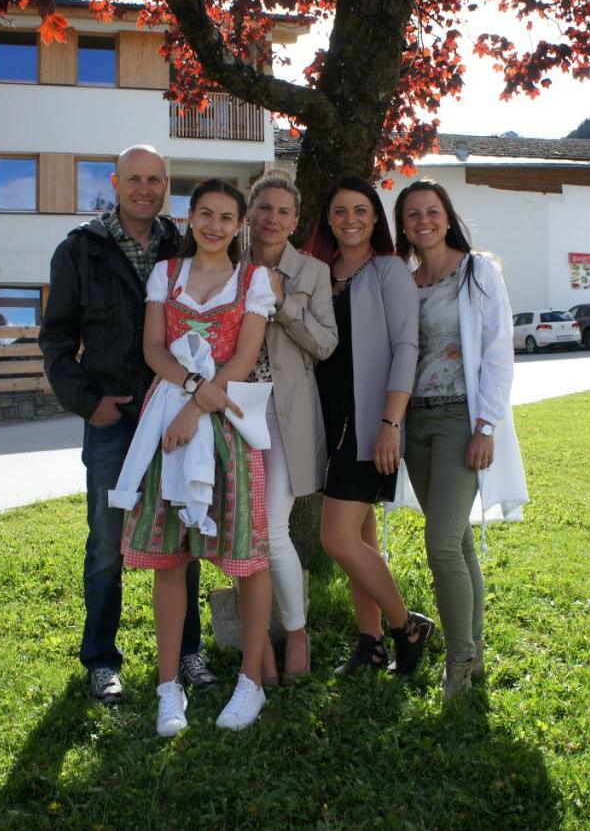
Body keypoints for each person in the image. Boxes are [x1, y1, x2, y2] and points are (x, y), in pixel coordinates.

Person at [39, 145, 217, 706]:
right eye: (134, 179)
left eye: (156, 179)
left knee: (183, 534)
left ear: (168, 184)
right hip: (114, 417)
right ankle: (101, 661)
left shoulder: (181, 245)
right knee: (107, 544)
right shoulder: (80, 250)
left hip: (175, 415)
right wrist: (89, 403)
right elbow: (57, 341)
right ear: (116, 183)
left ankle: (189, 652)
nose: (145, 188)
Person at [118, 178, 276, 736]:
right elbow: (153, 349)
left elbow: (246, 354)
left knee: (245, 560)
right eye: (204, 214)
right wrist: (189, 389)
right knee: (171, 556)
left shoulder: (255, 281)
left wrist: (199, 407)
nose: (214, 226)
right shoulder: (167, 274)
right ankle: (169, 689)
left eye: (226, 218)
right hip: (170, 422)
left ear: (240, 226)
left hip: (227, 428)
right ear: (189, 218)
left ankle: (250, 682)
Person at [392, 179, 527, 699]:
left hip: (461, 420)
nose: (423, 221)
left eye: (432, 211)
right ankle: (475, 651)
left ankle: (459, 663)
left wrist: (486, 426)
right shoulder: (406, 280)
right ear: (403, 225)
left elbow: (498, 351)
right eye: (412, 215)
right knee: (459, 540)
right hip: (417, 423)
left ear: (447, 217)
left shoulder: (478, 271)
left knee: (441, 544)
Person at [304, 176, 435, 677]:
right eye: (340, 211)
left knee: (336, 539)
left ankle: (408, 626)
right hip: (328, 422)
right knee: (362, 541)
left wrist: (389, 422)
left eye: (361, 210)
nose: (351, 220)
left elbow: (407, 347)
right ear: (329, 220)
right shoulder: (319, 272)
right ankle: (371, 642)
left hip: (367, 422)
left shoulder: (389, 270)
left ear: (376, 218)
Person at [242, 171, 338, 685]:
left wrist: (281, 304)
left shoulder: (314, 272)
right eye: (264, 208)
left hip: (284, 414)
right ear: (251, 213)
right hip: (232, 411)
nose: (273, 218)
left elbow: (325, 343)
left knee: (272, 528)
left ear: (296, 220)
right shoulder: (228, 265)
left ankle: (296, 631)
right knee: (240, 528)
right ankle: (256, 649)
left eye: (283, 211)